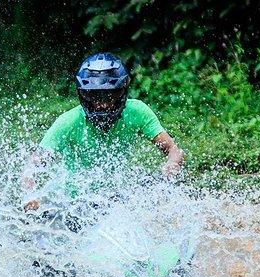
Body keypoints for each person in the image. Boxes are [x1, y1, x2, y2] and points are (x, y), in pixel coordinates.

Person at [22, 52, 186, 211]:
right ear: (83, 95)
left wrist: (172, 164)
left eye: (109, 96)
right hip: (67, 202)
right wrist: (31, 196)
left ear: (122, 92)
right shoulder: (69, 122)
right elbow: (33, 167)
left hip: (113, 199)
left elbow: (173, 149)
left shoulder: (138, 112)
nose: (102, 105)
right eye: (94, 96)